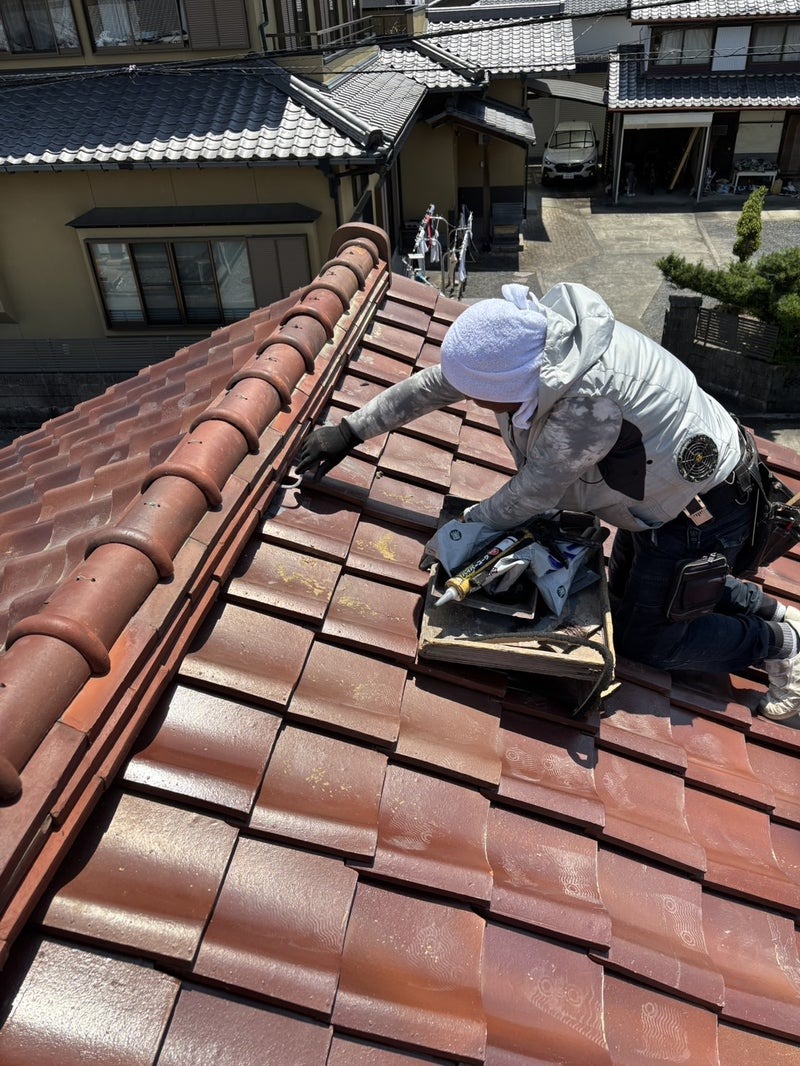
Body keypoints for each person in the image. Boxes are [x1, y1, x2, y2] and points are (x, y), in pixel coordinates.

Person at [296, 282, 800, 724]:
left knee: (645, 642)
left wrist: (460, 535)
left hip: (701, 511)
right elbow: (437, 384)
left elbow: (535, 492)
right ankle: (779, 613)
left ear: (512, 385)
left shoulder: (587, 401)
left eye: (482, 398)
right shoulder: (524, 348)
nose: (474, 403)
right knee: (634, 595)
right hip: (670, 499)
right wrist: (349, 430)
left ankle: (780, 646)